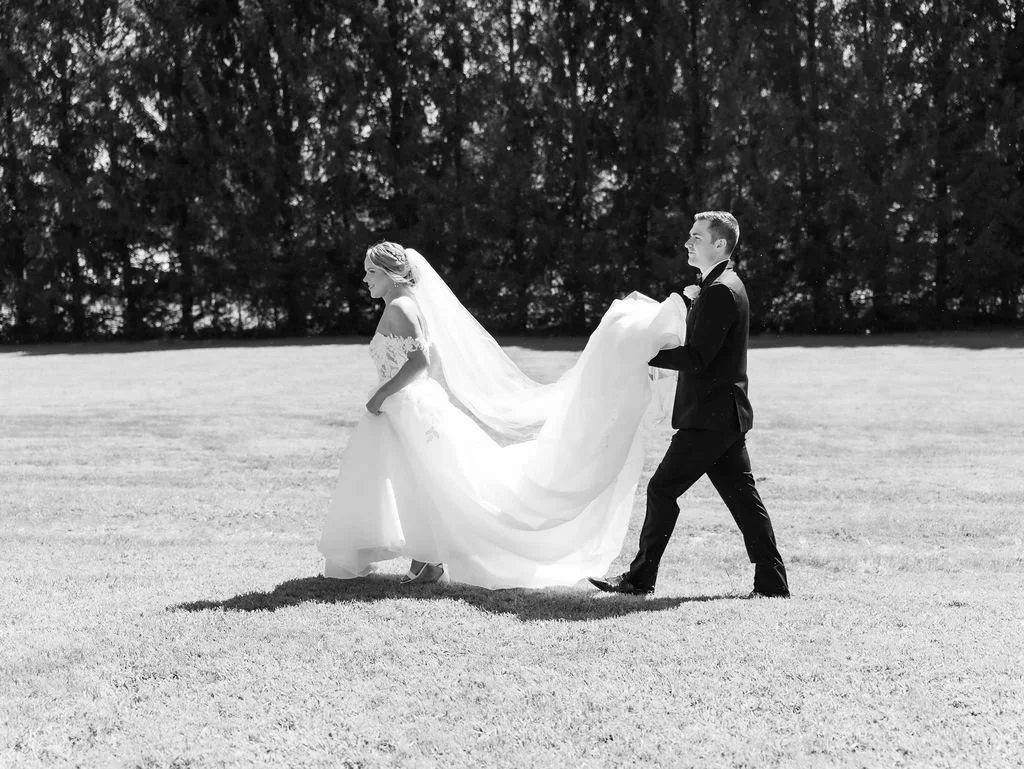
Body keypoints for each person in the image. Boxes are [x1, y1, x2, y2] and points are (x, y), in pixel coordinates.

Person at [318, 241, 688, 588]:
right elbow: (431, 361)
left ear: (391, 274)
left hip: (403, 405)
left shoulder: (400, 307)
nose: (365, 279)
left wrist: (381, 395)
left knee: (436, 481)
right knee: (420, 481)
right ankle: (426, 558)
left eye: (371, 272)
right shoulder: (406, 304)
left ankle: (428, 559)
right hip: (405, 407)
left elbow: (421, 363)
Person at [590, 211, 789, 598]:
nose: (687, 243)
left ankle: (639, 579)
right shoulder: (720, 285)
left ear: (720, 244)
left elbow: (697, 358)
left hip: (710, 417)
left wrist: (642, 354)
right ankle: (772, 583)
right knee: (744, 500)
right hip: (722, 414)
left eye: (697, 237)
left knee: (662, 490)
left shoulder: (720, 291)